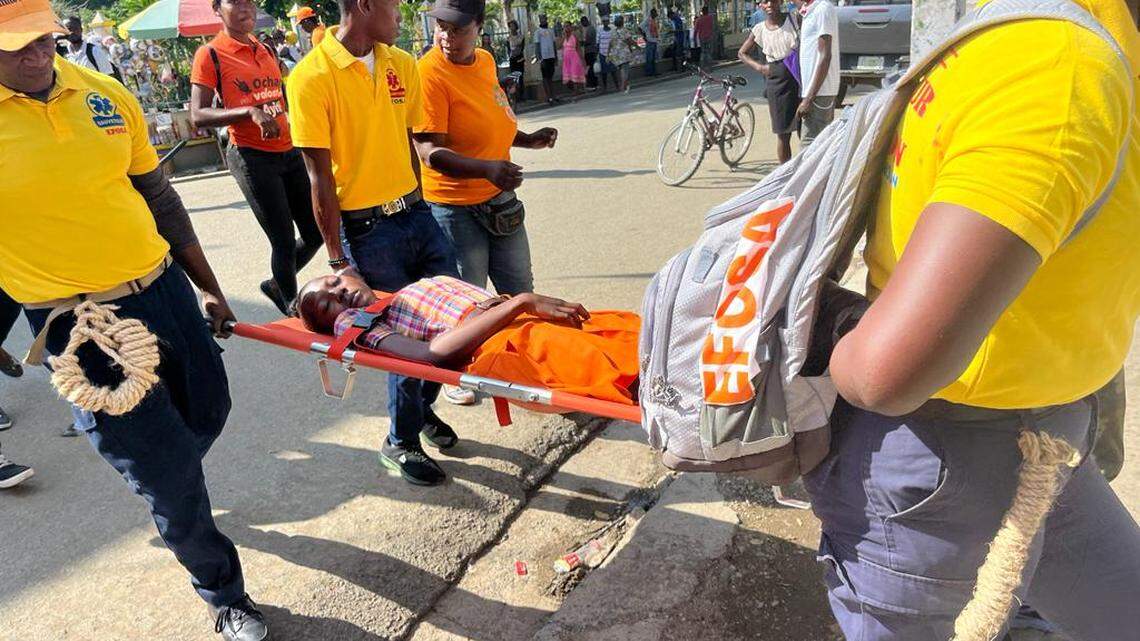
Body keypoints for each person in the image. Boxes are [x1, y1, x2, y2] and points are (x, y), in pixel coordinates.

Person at [804, 0, 1140, 637]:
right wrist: (835, 339)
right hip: (946, 461)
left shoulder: (1039, 37)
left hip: (1042, 441)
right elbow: (884, 375)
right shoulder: (1055, 68)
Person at [0, 0, 268, 638]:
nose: (38, 52)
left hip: (163, 291)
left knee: (209, 412)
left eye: (44, 37)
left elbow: (157, 193)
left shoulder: (103, 91)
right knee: (167, 472)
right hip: (80, 325)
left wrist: (209, 286)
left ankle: (161, 475)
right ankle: (222, 591)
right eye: (17, 43)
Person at [287, 0, 463, 487]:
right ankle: (400, 440)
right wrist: (341, 261)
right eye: (394, 4)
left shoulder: (401, 63)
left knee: (449, 320)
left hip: (415, 215)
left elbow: (408, 144)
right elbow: (318, 179)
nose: (402, 14)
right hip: (367, 234)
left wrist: (420, 205)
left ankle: (421, 411)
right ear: (363, 4)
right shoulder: (311, 77)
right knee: (406, 338)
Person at [294, 274, 640, 405]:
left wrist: (520, 306)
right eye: (329, 304)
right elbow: (432, 354)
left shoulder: (399, 295)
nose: (340, 294)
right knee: (616, 366)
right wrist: (520, 302)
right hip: (504, 341)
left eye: (336, 284)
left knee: (630, 329)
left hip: (517, 318)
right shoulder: (367, 326)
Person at [413, 0, 558, 298]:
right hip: (454, 211)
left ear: (479, 25)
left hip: (498, 199)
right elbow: (428, 151)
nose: (447, 38)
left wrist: (528, 139)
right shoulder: (428, 74)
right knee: (469, 302)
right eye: (442, 27)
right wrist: (487, 169)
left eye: (458, 29)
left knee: (521, 294)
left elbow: (490, 122)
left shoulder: (485, 61)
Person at [191, 0, 323, 315]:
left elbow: (278, 97)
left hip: (288, 150)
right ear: (217, 9)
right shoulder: (209, 55)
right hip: (251, 156)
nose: (244, 7)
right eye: (234, 2)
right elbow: (198, 114)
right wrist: (249, 112)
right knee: (283, 239)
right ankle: (293, 306)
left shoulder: (264, 49)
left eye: (249, 1)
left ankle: (278, 283)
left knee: (316, 230)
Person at [738, 0, 799, 163]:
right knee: (783, 133)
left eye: (773, 0)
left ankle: (806, 173)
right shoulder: (759, 29)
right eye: (765, 1)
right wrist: (761, 68)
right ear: (760, 5)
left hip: (799, 78)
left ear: (780, 2)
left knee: (804, 129)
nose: (769, 4)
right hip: (776, 84)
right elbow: (742, 53)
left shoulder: (794, 20)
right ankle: (785, 175)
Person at [794, 0, 839, 148]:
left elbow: (826, 56)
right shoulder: (810, 11)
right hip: (814, 91)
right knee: (818, 147)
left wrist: (809, 99)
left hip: (820, 92)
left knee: (809, 147)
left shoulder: (823, 9)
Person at [61, 16, 119, 80]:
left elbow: (110, 78)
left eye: (75, 29)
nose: (72, 32)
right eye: (68, 29)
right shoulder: (64, 56)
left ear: (81, 30)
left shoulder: (94, 51)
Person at [608, 15, 638, 93]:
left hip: (616, 54)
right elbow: (630, 40)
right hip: (624, 53)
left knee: (622, 69)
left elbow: (610, 43)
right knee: (625, 70)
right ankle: (623, 86)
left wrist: (608, 54)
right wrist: (637, 46)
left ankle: (626, 86)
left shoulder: (613, 32)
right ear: (622, 22)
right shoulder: (624, 30)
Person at [532, 15, 557, 103]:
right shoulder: (537, 32)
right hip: (544, 58)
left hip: (551, 56)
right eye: (541, 19)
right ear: (539, 20)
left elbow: (554, 44)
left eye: (544, 19)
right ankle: (548, 97)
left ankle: (553, 95)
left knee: (551, 77)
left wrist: (556, 57)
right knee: (545, 78)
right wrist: (540, 58)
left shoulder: (551, 30)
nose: (543, 20)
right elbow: (537, 46)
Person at [560, 22, 586, 95]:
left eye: (568, 26)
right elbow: (560, 46)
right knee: (568, 75)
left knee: (574, 73)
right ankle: (574, 90)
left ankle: (577, 90)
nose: (566, 28)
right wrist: (563, 36)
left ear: (571, 27)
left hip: (574, 57)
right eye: (565, 27)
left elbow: (578, 48)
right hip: (566, 59)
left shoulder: (574, 36)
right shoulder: (564, 37)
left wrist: (582, 59)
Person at [597, 15, 618, 93]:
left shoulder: (612, 30)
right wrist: (598, 53)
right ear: (602, 22)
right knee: (604, 72)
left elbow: (614, 41)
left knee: (613, 70)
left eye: (607, 21)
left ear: (608, 22)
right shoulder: (599, 30)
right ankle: (604, 87)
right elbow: (598, 42)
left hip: (611, 53)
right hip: (602, 53)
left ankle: (617, 86)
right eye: (604, 21)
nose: (605, 22)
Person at [579, 16, 598, 89]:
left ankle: (592, 84)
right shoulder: (588, 28)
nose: (582, 24)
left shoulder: (590, 29)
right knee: (590, 67)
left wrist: (582, 42)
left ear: (585, 21)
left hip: (590, 50)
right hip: (589, 50)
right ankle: (593, 83)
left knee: (589, 68)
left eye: (582, 22)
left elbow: (588, 40)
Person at [640, 8, 659, 77]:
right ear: (652, 13)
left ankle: (654, 71)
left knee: (654, 57)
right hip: (650, 40)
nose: (656, 14)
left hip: (654, 40)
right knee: (649, 57)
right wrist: (644, 36)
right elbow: (640, 27)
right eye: (655, 13)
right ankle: (648, 72)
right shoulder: (647, 20)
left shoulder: (654, 20)